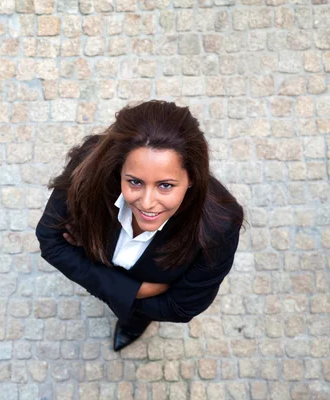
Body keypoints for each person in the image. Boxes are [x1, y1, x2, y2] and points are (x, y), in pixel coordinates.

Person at [35, 100, 244, 352]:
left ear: (192, 179)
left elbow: (181, 307)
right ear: (117, 168)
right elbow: (50, 240)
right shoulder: (88, 166)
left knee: (136, 316)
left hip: (140, 298)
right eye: (134, 182)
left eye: (165, 185)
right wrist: (132, 291)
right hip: (128, 277)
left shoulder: (220, 224)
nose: (147, 203)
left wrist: (118, 293)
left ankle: (133, 324)